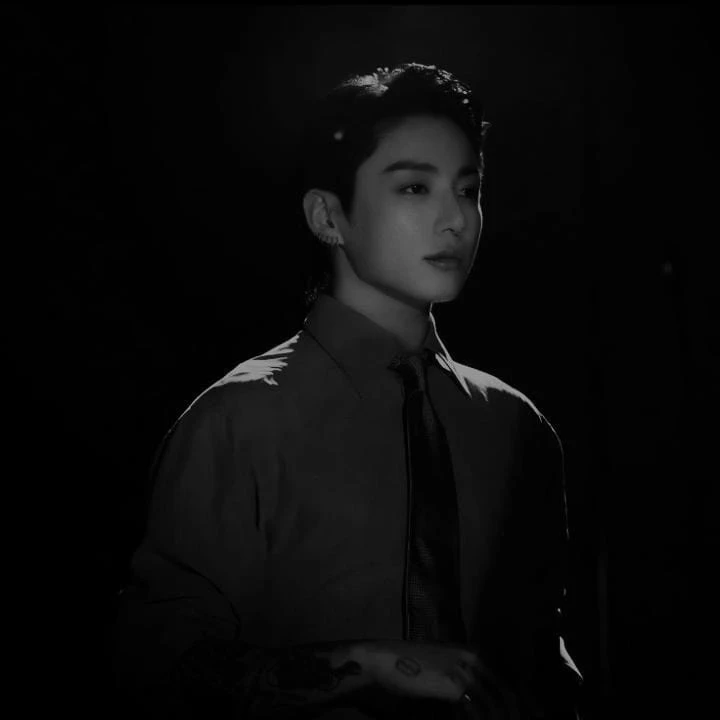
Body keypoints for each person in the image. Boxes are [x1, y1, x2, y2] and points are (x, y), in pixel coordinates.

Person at [110, 62, 584, 719]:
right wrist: (369, 663)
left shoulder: (514, 426)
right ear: (328, 215)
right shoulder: (240, 420)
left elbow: (543, 659)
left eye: (468, 189)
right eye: (414, 187)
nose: (455, 218)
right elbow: (154, 661)